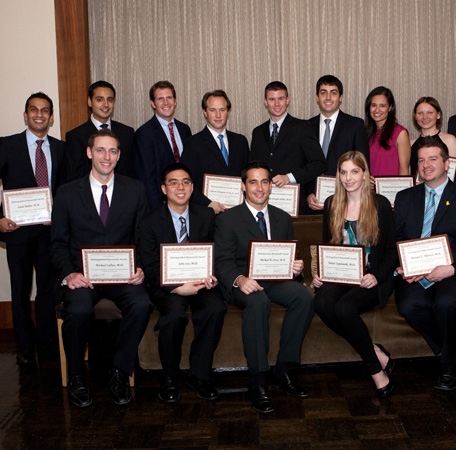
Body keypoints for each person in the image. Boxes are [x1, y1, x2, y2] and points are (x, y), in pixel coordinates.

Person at [50, 129, 154, 408]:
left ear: (119, 156)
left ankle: (119, 372)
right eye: (100, 150)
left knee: (143, 304)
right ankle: (76, 376)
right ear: (89, 152)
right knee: (79, 309)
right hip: (83, 278)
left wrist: (142, 267)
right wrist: (69, 274)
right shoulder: (66, 193)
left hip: (124, 277)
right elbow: (57, 243)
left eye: (112, 151)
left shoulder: (136, 189)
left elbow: (143, 238)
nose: (106, 157)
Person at [214, 161, 314, 414]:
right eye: (253, 182)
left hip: (275, 278)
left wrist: (295, 267)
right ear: (243, 187)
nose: (259, 187)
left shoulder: (281, 217)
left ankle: (284, 368)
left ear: (271, 186)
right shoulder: (227, 219)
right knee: (259, 302)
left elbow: (289, 254)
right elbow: (222, 262)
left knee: (303, 296)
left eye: (264, 181)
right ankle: (258, 380)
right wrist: (240, 279)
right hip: (242, 282)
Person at [394, 136, 456, 391]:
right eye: (421, 160)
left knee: (445, 303)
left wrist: (453, 269)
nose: (426, 165)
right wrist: (402, 266)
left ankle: (448, 365)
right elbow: (398, 240)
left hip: (453, 272)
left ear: (447, 163)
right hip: (416, 274)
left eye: (433, 159)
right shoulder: (404, 198)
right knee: (408, 305)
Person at [0, 92, 65, 366]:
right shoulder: (8, 145)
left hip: (49, 233)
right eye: (33, 110)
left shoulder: (61, 148)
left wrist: (60, 216)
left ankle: (45, 341)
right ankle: (25, 346)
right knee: (19, 290)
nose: (39, 114)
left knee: (47, 291)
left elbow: (66, 191)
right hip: (17, 232)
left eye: (44, 110)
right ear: (25, 115)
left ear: (51, 117)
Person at [139, 162, 226, 403]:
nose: (180, 187)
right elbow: (149, 266)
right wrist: (176, 287)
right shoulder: (149, 221)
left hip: (200, 283)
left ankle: (199, 375)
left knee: (216, 308)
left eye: (186, 182)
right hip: (167, 287)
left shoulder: (206, 215)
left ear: (192, 187)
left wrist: (211, 275)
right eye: (173, 182)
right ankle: (169, 376)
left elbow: (215, 252)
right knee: (174, 316)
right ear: (163, 189)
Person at [312, 151, 396, 397]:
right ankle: (374, 351)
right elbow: (327, 245)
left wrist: (377, 276)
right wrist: (321, 273)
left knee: (344, 309)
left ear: (364, 174)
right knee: (322, 302)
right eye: (344, 172)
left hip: (372, 276)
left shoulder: (380, 204)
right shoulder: (331, 204)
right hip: (342, 275)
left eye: (354, 172)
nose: (349, 178)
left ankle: (376, 371)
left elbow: (392, 251)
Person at [250, 81, 326, 214]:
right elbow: (253, 167)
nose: (277, 104)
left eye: (281, 98)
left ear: (287, 100)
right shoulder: (258, 132)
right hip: (263, 204)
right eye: (272, 99)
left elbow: (319, 163)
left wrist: (289, 177)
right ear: (265, 102)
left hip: (294, 204)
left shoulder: (302, 127)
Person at [306, 75, 369, 212]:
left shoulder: (355, 125)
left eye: (333, 92)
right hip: (314, 203)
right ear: (317, 97)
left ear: (340, 97)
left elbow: (362, 164)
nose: (328, 97)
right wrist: (308, 194)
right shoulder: (306, 127)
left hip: (346, 202)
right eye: (323, 92)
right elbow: (302, 165)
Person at [182, 90, 249, 214]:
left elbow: (248, 177)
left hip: (238, 214)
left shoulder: (240, 141)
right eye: (213, 110)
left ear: (228, 112)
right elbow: (186, 183)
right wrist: (208, 203)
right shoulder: (192, 144)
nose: (218, 115)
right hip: (206, 214)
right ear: (205, 112)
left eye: (222, 110)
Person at [63, 80, 136, 183]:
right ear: (89, 101)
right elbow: (74, 177)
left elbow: (131, 172)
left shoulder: (127, 133)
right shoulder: (76, 136)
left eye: (110, 100)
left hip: (122, 194)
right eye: (99, 99)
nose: (106, 104)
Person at [135, 80, 192, 210]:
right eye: (160, 99)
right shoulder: (144, 134)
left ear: (175, 101)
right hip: (160, 204)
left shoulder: (185, 130)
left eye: (169, 98)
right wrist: (159, 209)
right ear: (152, 103)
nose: (166, 103)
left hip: (186, 201)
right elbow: (147, 177)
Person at [364, 86, 411, 178]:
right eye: (373, 105)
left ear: (390, 108)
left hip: (391, 189)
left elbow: (404, 169)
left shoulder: (400, 133)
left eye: (382, 106)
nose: (377, 110)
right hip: (368, 190)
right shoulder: (364, 132)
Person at [410, 97, 456, 175]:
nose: (425, 117)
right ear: (415, 117)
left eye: (430, 112)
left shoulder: (450, 140)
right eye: (420, 113)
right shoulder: (409, 144)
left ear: (438, 115)